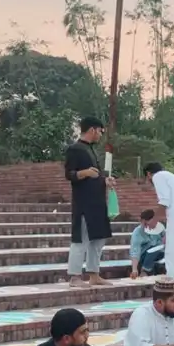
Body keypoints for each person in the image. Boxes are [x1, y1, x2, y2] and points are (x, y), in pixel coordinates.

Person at [64, 116, 113, 287]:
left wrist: (105, 181)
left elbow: (95, 174)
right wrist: (84, 173)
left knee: (99, 239)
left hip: (97, 202)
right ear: (92, 130)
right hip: (84, 203)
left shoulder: (91, 150)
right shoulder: (75, 149)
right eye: (100, 131)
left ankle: (94, 273)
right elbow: (69, 174)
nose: (100, 135)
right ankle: (75, 276)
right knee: (81, 239)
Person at [128, 209, 165, 279]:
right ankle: (145, 271)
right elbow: (135, 251)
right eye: (144, 224)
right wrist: (134, 269)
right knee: (153, 249)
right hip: (143, 257)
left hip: (158, 254)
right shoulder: (137, 232)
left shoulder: (160, 229)